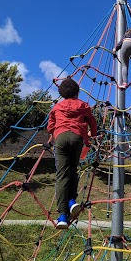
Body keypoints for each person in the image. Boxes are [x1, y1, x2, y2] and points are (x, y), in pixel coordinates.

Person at [47, 77, 98, 229]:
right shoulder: (83, 105)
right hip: (77, 138)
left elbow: (50, 126)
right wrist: (92, 134)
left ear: (62, 93)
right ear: (77, 92)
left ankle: (63, 216)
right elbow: (92, 122)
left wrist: (57, 130)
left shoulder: (57, 107)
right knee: (73, 171)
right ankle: (71, 201)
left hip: (61, 138)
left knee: (62, 175)